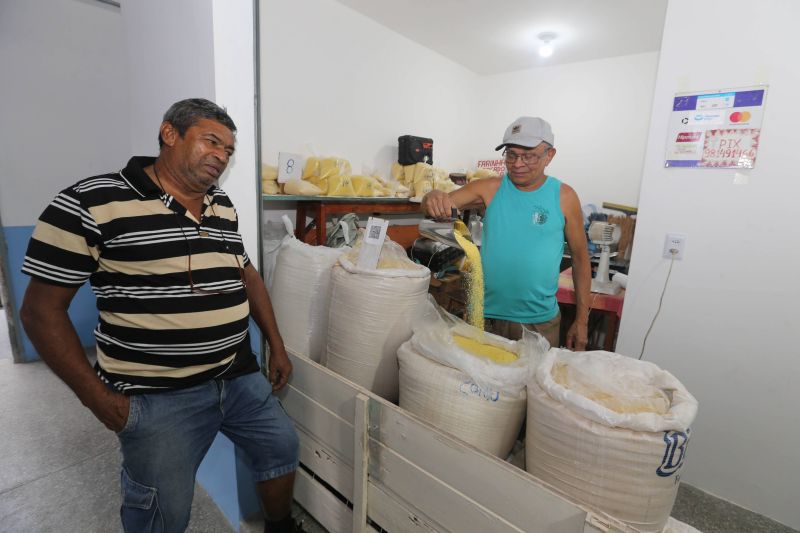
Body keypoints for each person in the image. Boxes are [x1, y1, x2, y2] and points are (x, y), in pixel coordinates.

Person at [20, 99, 300, 533]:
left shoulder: (221, 204)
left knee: (280, 449)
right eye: (211, 141)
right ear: (170, 134)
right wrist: (99, 400)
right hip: (158, 396)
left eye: (228, 150)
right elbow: (39, 312)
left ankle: (280, 527)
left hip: (238, 375)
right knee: (162, 511)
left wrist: (275, 346)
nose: (221, 157)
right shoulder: (92, 202)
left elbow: (247, 275)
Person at [422, 116, 590, 350]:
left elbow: (582, 260)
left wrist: (582, 320)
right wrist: (431, 197)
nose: (518, 164)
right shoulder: (488, 188)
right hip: (485, 317)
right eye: (511, 155)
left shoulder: (564, 197)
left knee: (532, 385)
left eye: (529, 155)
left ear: (549, 156)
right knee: (482, 384)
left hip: (538, 323)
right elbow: (438, 205)